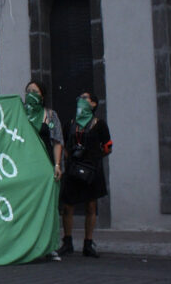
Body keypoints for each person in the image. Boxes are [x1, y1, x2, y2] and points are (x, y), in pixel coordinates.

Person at [58, 92, 112, 259]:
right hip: (74, 169)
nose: (81, 100)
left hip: (92, 170)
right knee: (68, 206)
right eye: (79, 97)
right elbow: (63, 144)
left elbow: (108, 147)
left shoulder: (99, 124)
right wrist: (70, 159)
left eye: (85, 97)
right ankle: (67, 242)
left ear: (94, 104)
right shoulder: (71, 124)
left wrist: (93, 159)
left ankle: (88, 244)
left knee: (91, 206)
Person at [24, 81, 64, 261]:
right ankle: (28, 246)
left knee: (49, 208)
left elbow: (57, 141)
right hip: (26, 167)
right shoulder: (19, 114)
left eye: (35, 91)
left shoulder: (50, 115)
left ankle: (50, 245)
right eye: (28, 91)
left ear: (42, 95)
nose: (31, 93)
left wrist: (57, 164)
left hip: (46, 165)